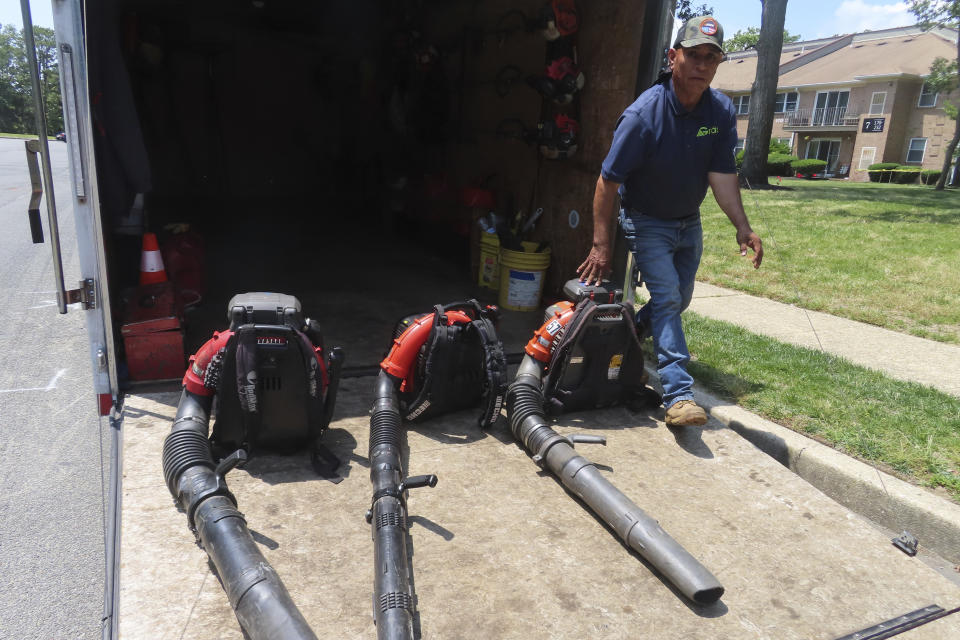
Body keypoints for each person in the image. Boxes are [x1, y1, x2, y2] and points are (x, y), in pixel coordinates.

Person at [576, 15, 763, 427]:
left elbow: (722, 175)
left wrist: (742, 226)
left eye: (711, 58)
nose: (701, 65)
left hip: (687, 221)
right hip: (645, 220)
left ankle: (626, 337)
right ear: (672, 57)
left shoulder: (720, 110)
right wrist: (601, 244)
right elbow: (608, 182)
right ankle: (679, 396)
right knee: (667, 300)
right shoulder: (643, 116)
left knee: (678, 300)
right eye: (693, 55)